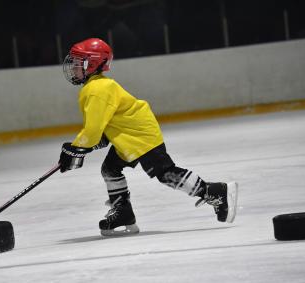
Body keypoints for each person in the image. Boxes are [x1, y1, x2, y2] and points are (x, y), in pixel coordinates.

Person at [58, 38, 238, 236]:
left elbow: (92, 131)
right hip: (127, 137)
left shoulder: (97, 89)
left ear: (90, 64)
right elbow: (101, 130)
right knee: (110, 169)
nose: (73, 68)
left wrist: (75, 149)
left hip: (140, 136)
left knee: (166, 174)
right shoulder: (96, 86)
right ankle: (123, 213)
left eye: (77, 63)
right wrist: (81, 148)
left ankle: (214, 192)